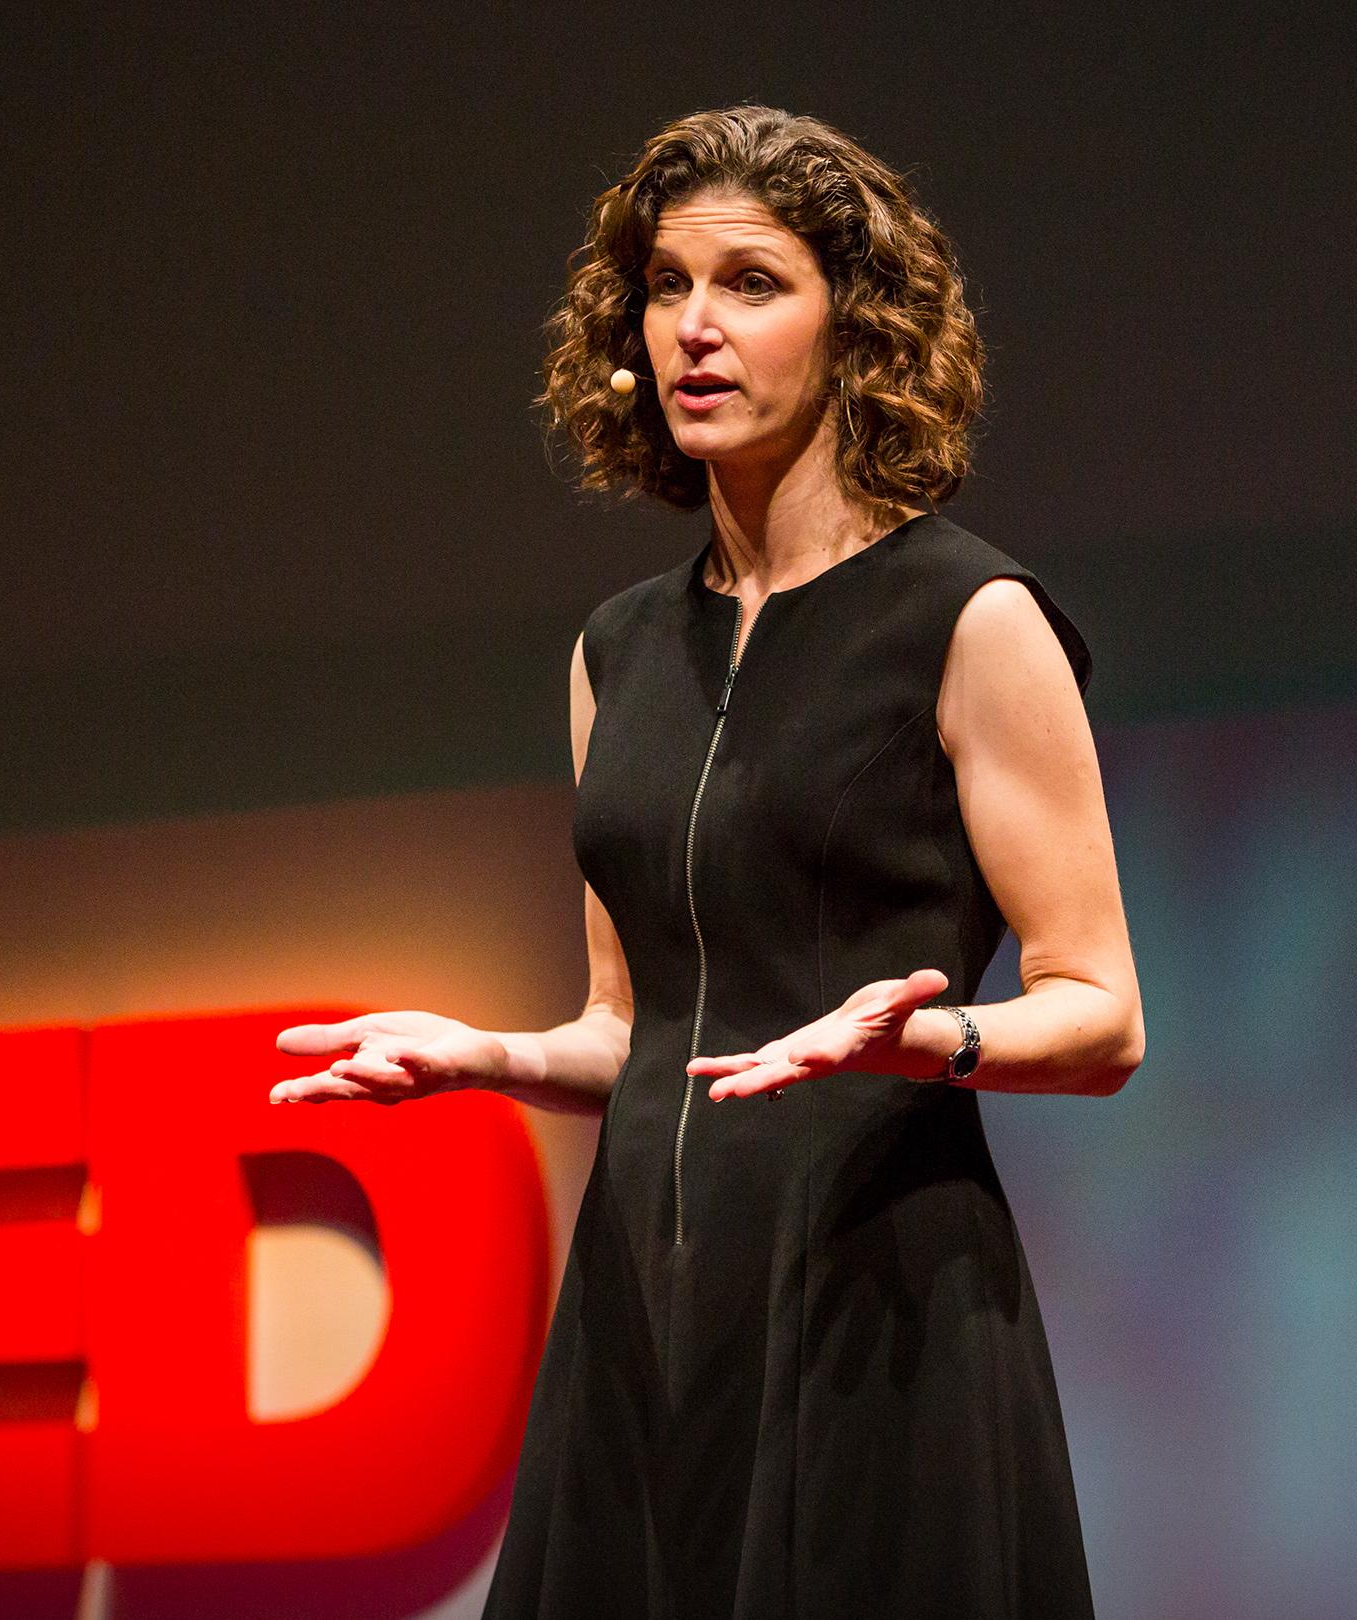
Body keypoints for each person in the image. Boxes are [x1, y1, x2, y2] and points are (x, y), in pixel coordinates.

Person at [270, 104, 1143, 1618]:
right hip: (646, 1312)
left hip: (875, 1308)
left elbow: (1103, 1013)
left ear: (857, 327)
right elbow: (634, 1029)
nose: (694, 327)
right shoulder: (619, 651)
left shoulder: (968, 618)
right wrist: (488, 1056)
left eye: (751, 283)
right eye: (667, 286)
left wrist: (920, 1040)